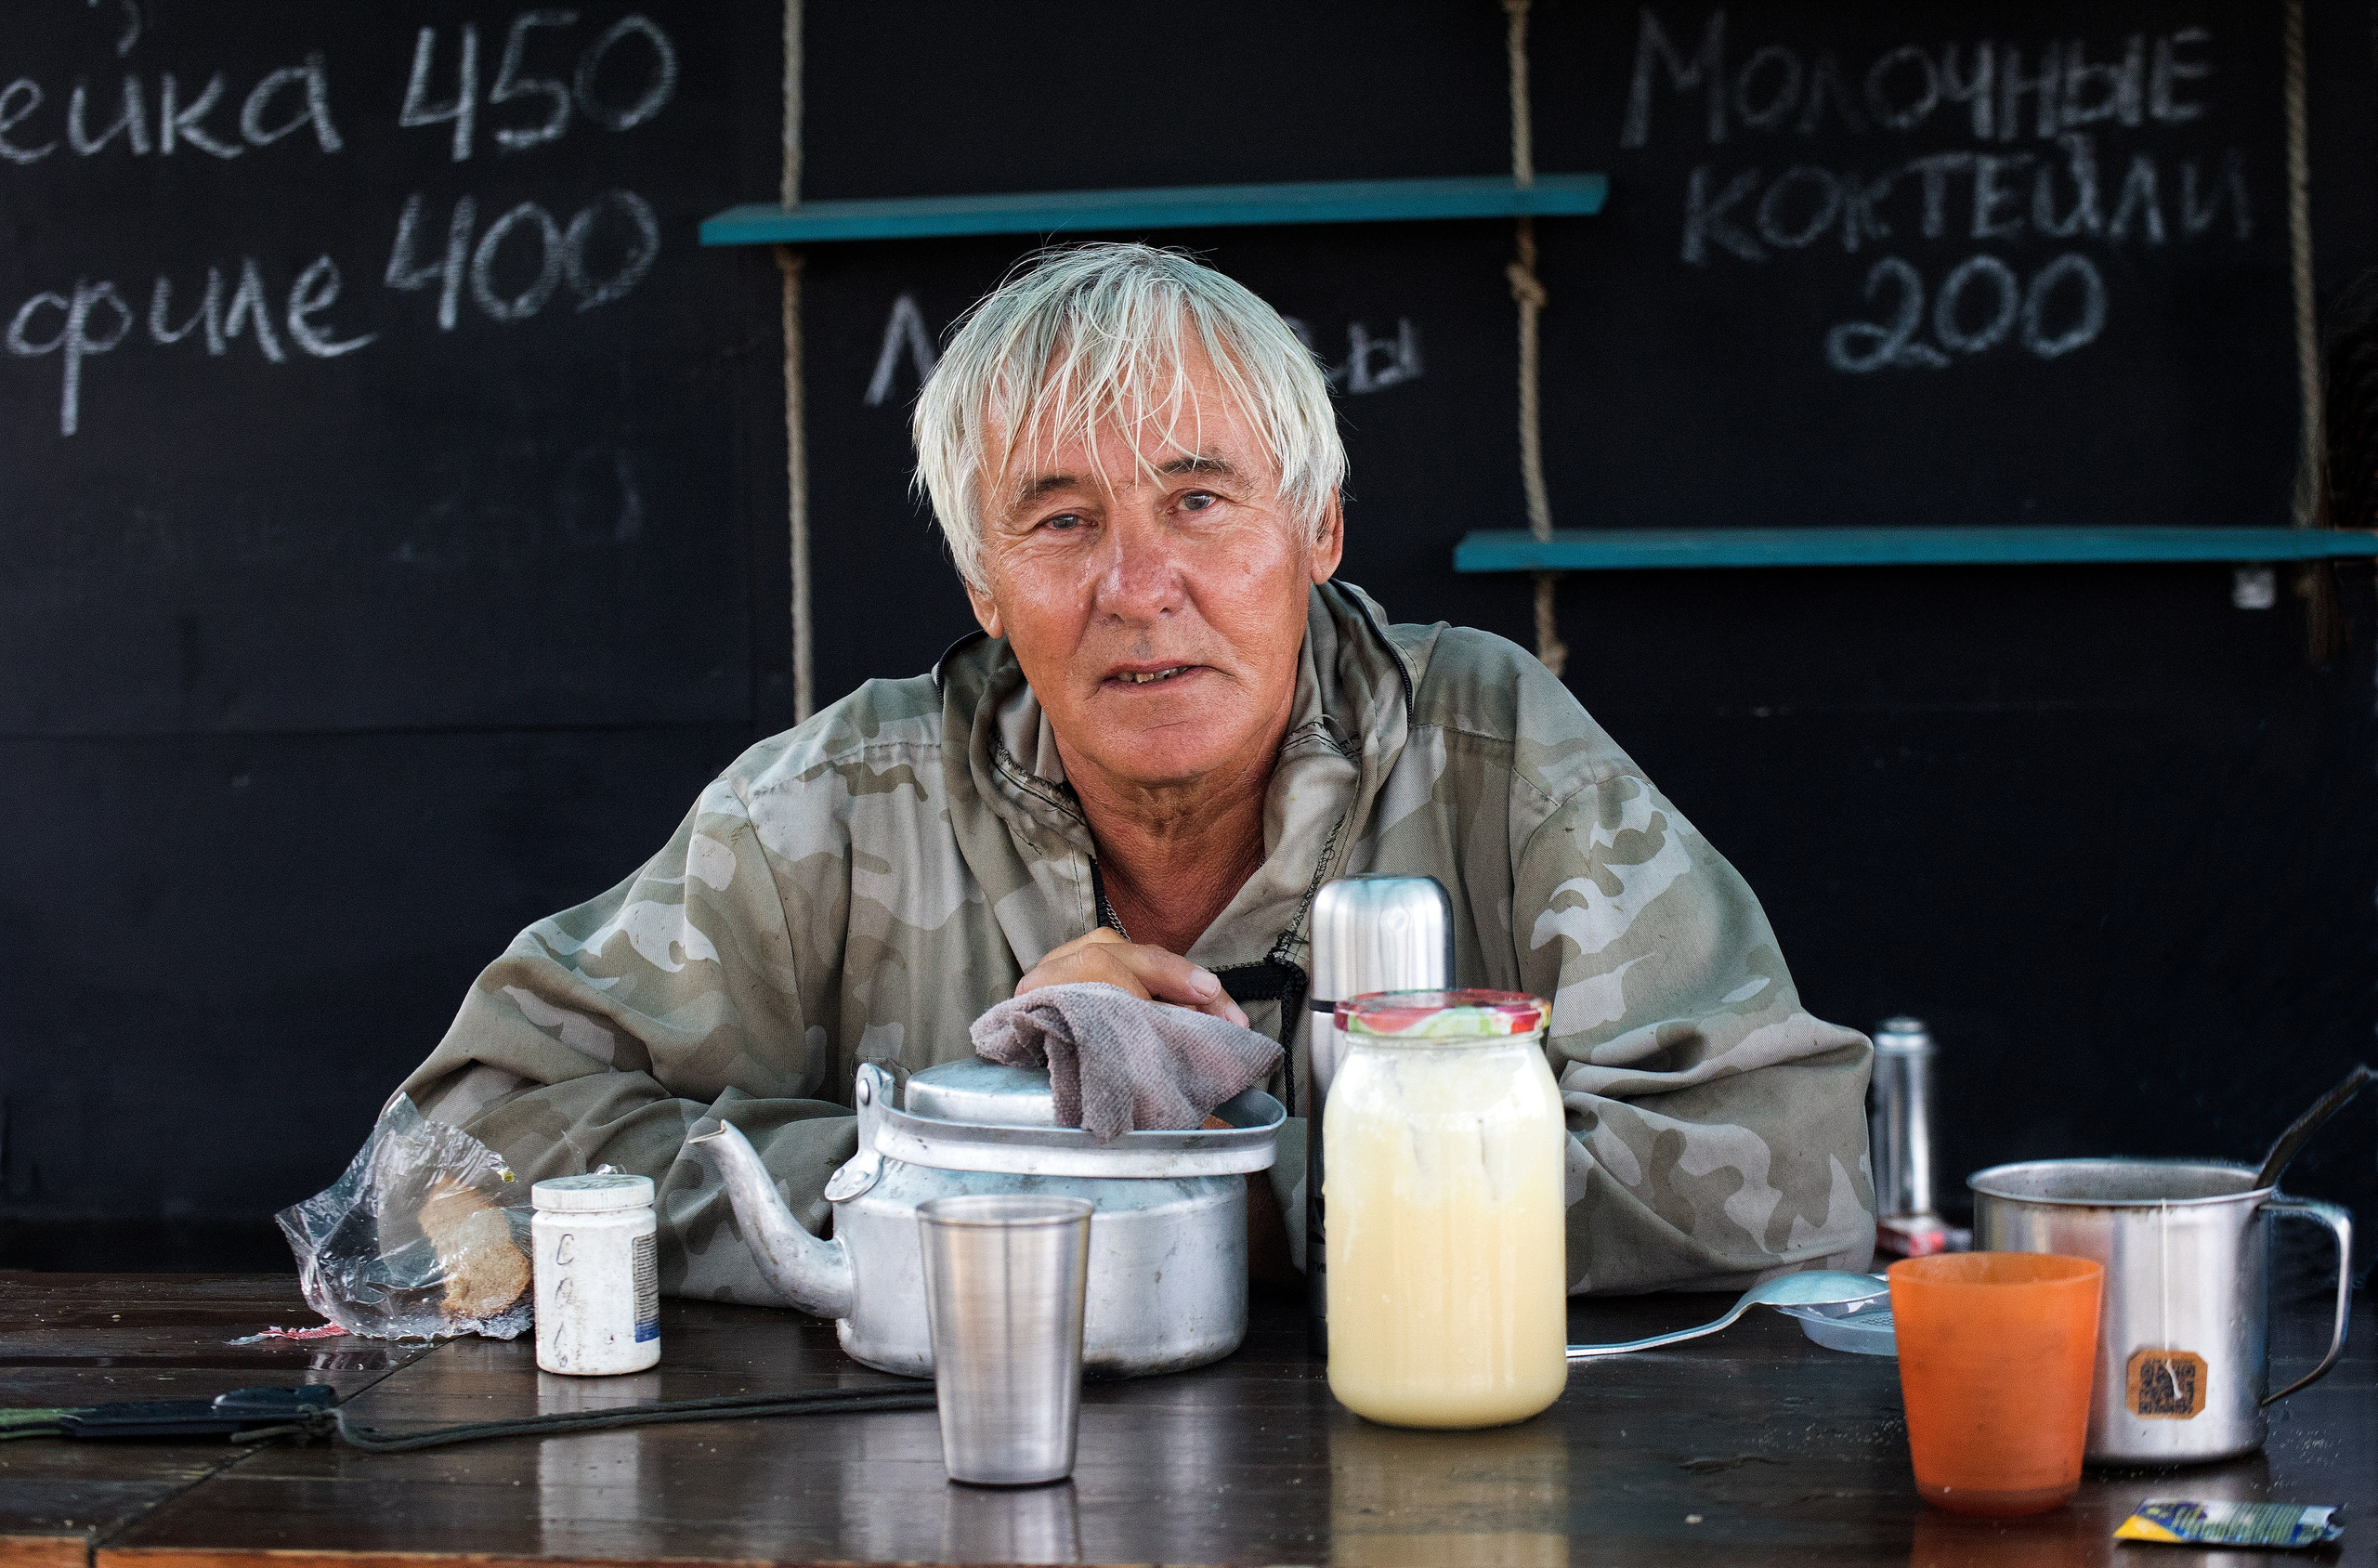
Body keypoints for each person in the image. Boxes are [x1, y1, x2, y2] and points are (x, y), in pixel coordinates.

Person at [397, 242, 1875, 1301]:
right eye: (1059, 523)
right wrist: (963, 1177)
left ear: (1319, 530)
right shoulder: (841, 804)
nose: (1139, 586)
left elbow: (1783, 1165)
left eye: (1200, 500)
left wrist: (1220, 1204)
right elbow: (451, 1161)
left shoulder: (1485, 747)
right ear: (983, 585)